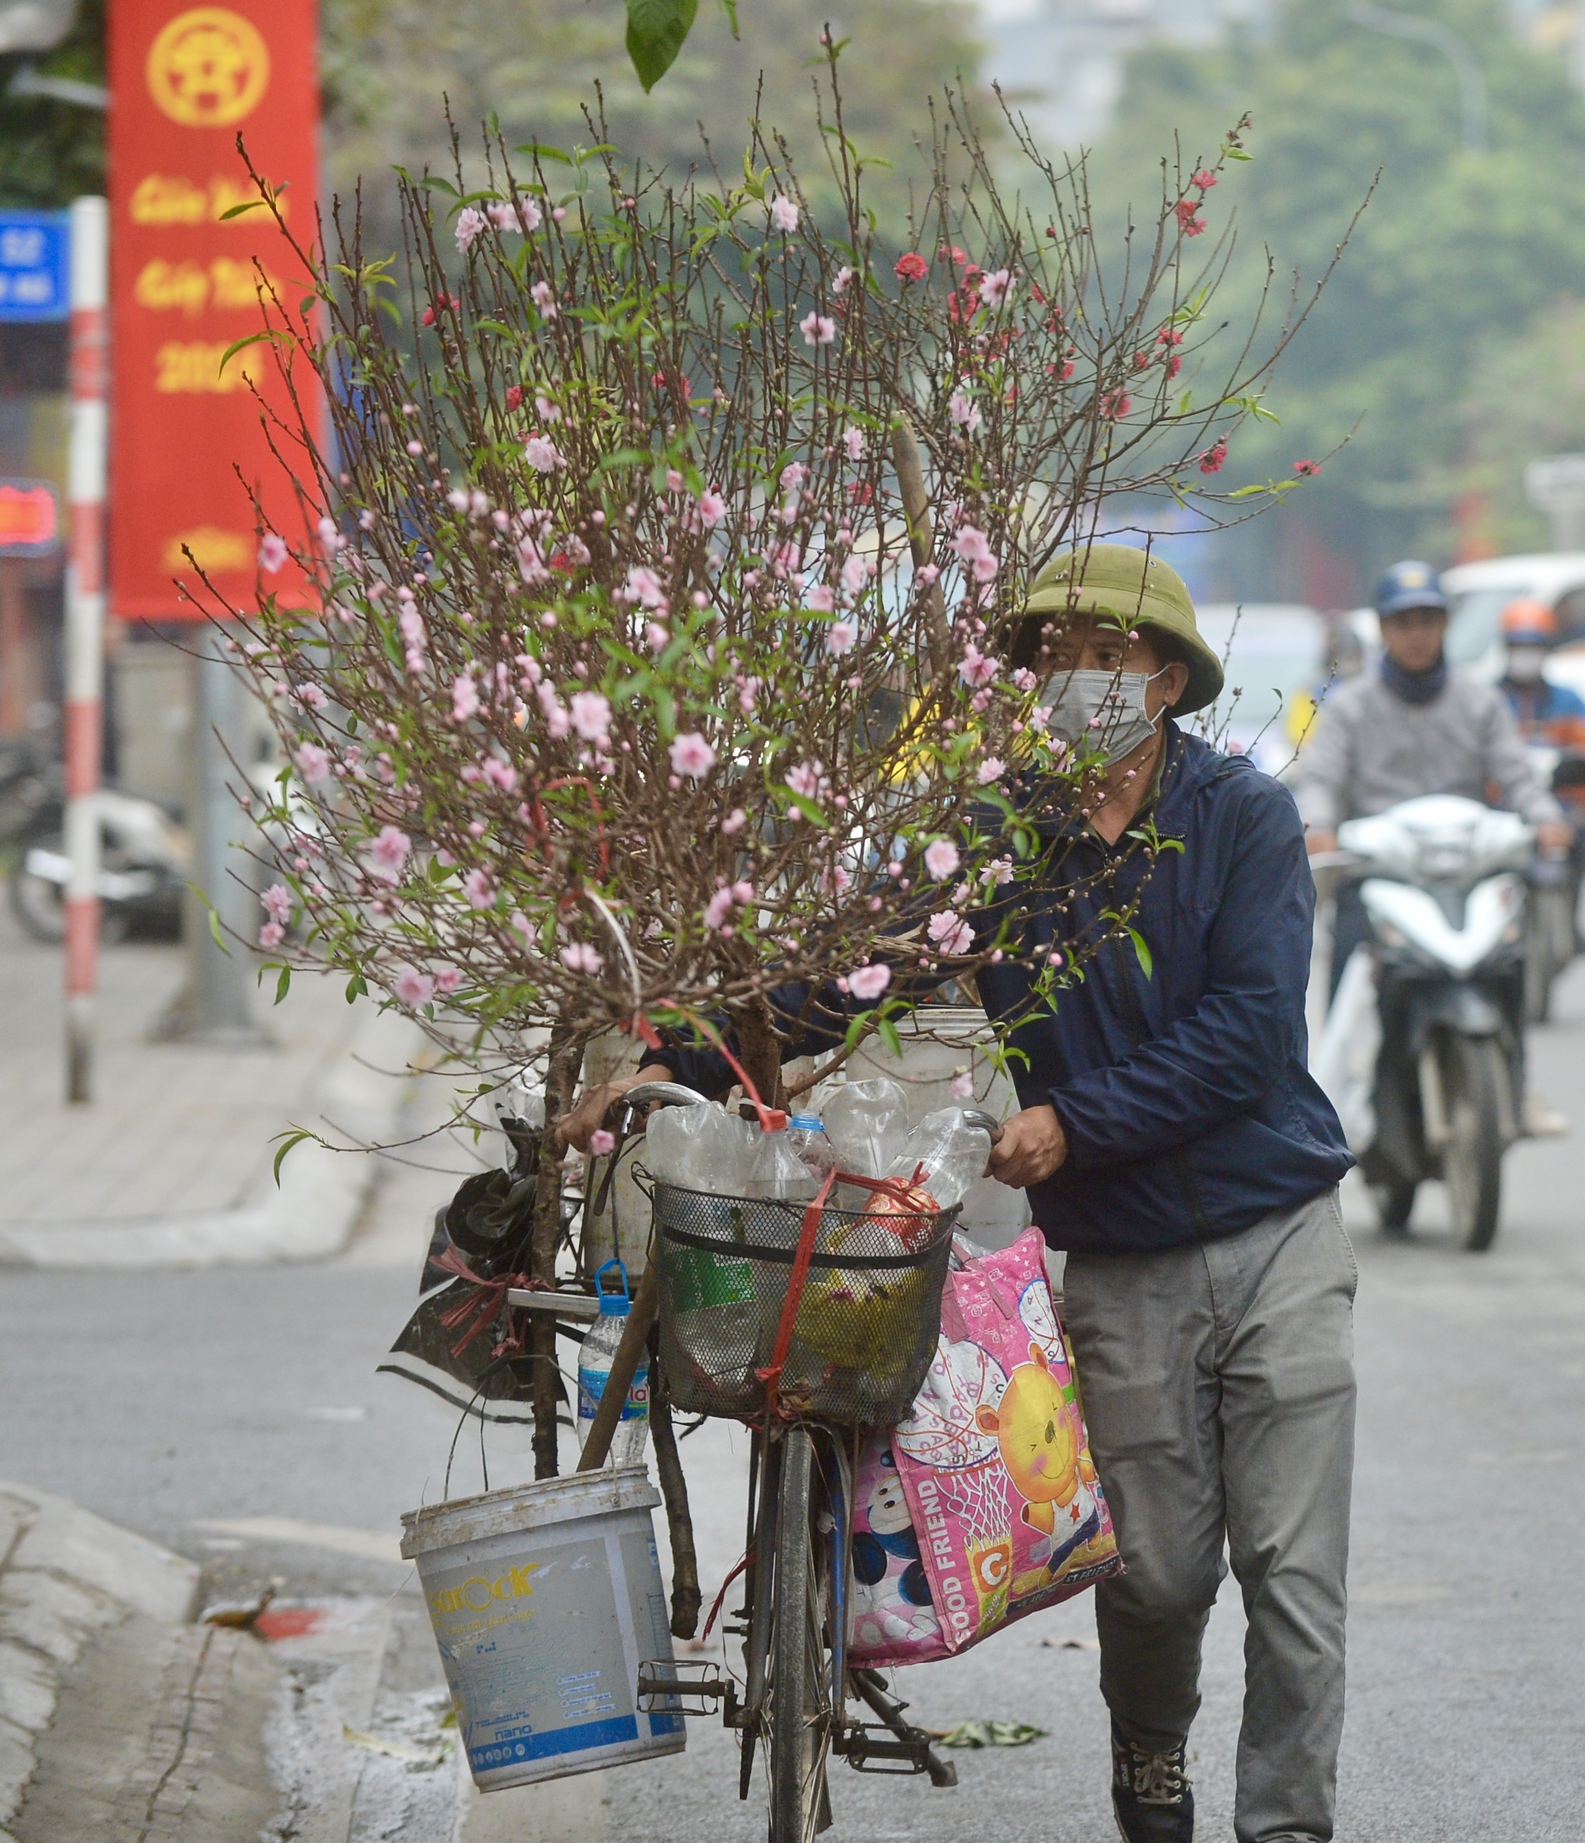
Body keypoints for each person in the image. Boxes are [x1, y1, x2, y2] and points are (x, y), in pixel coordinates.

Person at [559, 547, 1360, 1843]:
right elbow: (846, 979)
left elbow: (1254, 1029)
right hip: (1124, 1260)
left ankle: (1286, 1824)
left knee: (1293, 1572)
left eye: (1111, 660)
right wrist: (675, 1048)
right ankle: (1152, 1754)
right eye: (1059, 659)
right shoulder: (999, 843)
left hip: (1280, 1239)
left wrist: (1074, 1119)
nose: (1084, 683)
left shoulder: (1239, 819)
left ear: (1165, 680)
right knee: (1153, 1572)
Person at [1292, 559, 1573, 1135]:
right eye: (1404, 621)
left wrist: (1545, 819)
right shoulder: (1349, 706)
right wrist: (1317, 823)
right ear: (1385, 630)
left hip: (1465, 873)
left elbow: (1518, 777)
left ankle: (1515, 1090)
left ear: (1445, 626)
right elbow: (1319, 779)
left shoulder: (1479, 702)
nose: (1417, 633)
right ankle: (1341, 1101)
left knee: (1510, 963)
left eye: (1428, 619)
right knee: (1348, 955)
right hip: (1380, 875)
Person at [1496, 597, 1585, 955]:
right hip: (1498, 803)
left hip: (1556, 800)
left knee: (1579, 834)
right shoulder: (1487, 700)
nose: (1526, 655)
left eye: (1534, 647)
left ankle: (1571, 919)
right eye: (1519, 647)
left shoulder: (1566, 700)